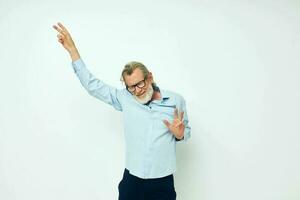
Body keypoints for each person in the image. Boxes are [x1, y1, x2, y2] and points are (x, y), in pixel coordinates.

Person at [53, 22, 191, 200]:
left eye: (140, 84)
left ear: (150, 77)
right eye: (131, 87)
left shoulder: (175, 101)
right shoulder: (124, 98)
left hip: (162, 182)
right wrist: (72, 50)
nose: (137, 90)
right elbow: (93, 86)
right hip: (132, 179)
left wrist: (179, 134)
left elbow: (186, 133)